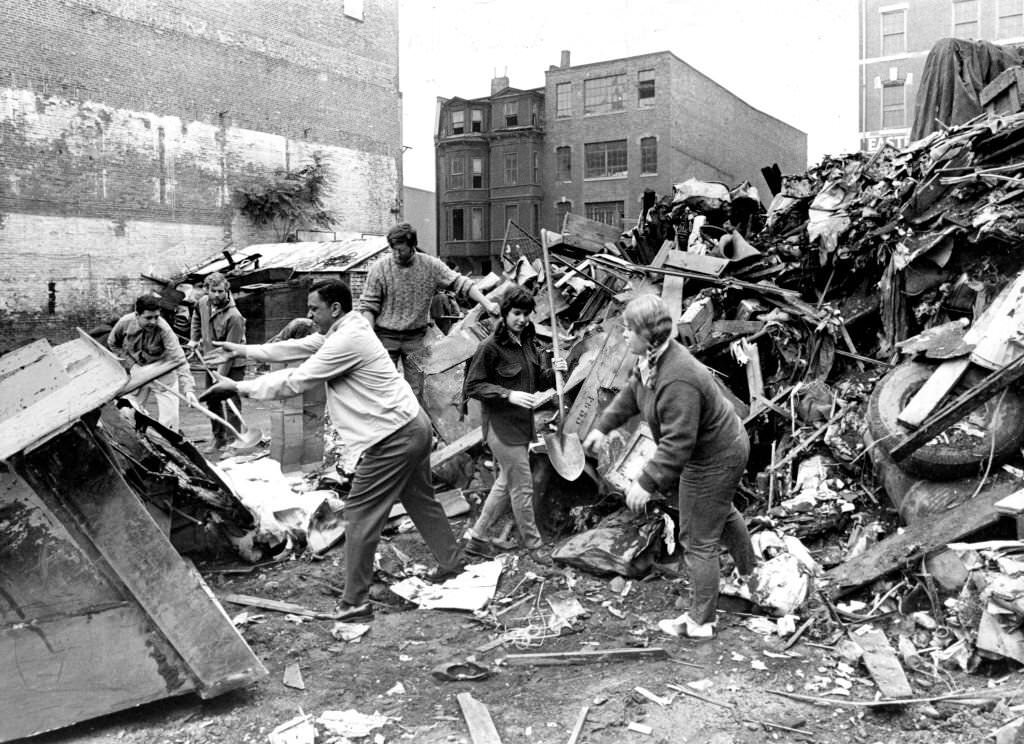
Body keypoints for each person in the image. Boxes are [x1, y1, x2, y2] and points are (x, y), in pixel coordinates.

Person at [201, 279, 468, 622]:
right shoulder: (347, 328)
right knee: (420, 500)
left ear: (335, 309)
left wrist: (238, 386)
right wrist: (242, 351)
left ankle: (355, 602)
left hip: (393, 437)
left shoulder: (346, 339)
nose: (310, 315)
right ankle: (452, 563)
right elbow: (296, 347)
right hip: (411, 425)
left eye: (314, 309)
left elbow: (297, 379)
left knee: (358, 516)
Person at [582, 295, 754, 640]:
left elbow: (678, 443)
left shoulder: (678, 377)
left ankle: (701, 622)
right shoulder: (651, 361)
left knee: (697, 538)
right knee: (721, 512)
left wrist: (645, 482)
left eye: (629, 330)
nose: (624, 335)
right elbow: (632, 394)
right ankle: (750, 575)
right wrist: (602, 427)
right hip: (713, 449)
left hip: (716, 455)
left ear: (651, 336)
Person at [461, 286, 565, 566]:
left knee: (506, 483)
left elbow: (539, 382)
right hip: (500, 428)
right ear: (505, 313)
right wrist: (508, 394)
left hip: (521, 426)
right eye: (516, 313)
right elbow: (473, 386)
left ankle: (478, 538)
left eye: (526, 314)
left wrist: (555, 372)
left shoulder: (528, 342)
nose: (521, 319)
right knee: (523, 488)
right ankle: (535, 547)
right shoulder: (490, 348)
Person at [358, 223, 500, 397]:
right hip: (385, 336)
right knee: (380, 387)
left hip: (416, 338)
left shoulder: (430, 266)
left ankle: (413, 422)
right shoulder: (379, 268)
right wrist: (367, 336)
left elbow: (460, 283)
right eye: (392, 250)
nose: (396, 254)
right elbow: (369, 305)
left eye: (400, 250)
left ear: (412, 247)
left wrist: (487, 304)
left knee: (416, 390)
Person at [108, 293, 198, 431]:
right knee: (126, 411)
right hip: (138, 371)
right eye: (148, 318)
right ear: (137, 315)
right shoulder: (125, 322)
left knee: (170, 423)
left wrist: (188, 389)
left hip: (163, 372)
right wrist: (131, 365)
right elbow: (113, 343)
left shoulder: (164, 330)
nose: (154, 322)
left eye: (156, 317)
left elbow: (179, 359)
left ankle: (169, 447)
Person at [189, 272, 247, 455]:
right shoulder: (203, 303)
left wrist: (220, 378)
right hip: (210, 360)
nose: (217, 295)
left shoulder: (234, 316)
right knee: (212, 400)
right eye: (213, 291)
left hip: (233, 364)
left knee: (231, 403)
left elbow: (230, 352)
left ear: (227, 291)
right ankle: (219, 438)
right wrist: (193, 339)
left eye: (221, 291)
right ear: (207, 290)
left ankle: (234, 442)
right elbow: (196, 319)